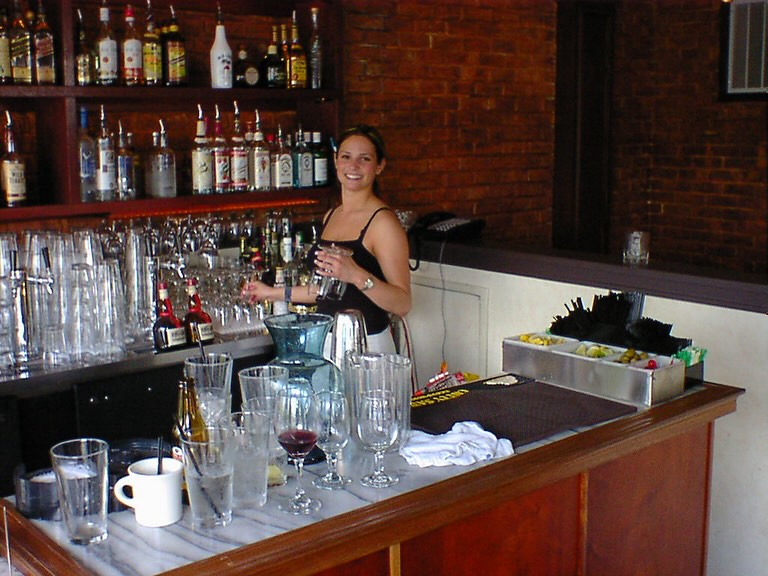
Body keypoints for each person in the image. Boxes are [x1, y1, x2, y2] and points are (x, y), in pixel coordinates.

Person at [242, 124, 412, 353]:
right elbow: (326, 290)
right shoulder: (332, 215)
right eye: (346, 157)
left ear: (379, 166)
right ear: (335, 161)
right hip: (329, 341)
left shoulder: (383, 223)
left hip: (368, 346)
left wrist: (356, 275)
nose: (353, 166)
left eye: (365, 159)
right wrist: (269, 293)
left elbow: (403, 303)